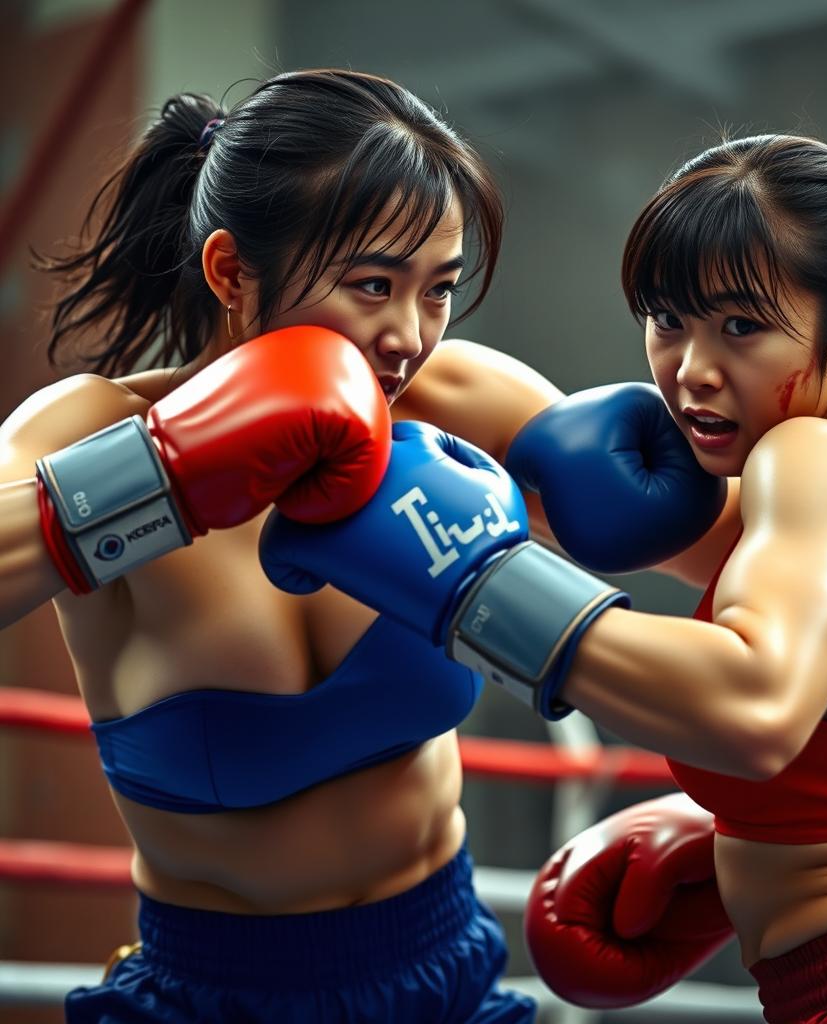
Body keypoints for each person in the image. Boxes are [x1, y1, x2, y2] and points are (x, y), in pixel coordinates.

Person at [259, 134, 827, 1022]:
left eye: (740, 327)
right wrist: (729, 844)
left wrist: (461, 581)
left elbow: (754, 706)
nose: (692, 370)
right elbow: (540, 459)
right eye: (668, 321)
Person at [0, 67, 561, 1023]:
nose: (408, 337)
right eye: (372, 285)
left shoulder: (445, 404)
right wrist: (170, 473)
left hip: (446, 975)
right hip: (212, 998)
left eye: (438, 291)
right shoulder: (95, 430)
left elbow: (715, 539)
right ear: (230, 271)